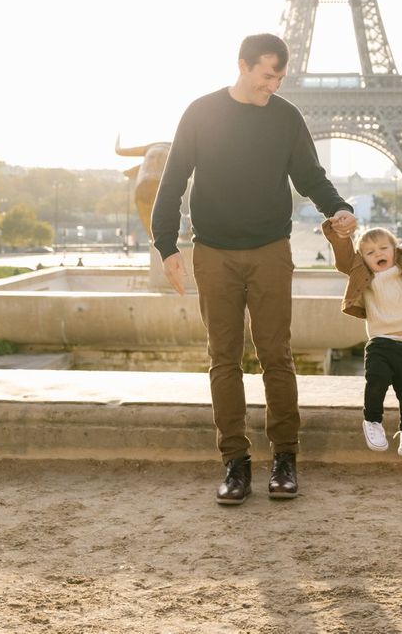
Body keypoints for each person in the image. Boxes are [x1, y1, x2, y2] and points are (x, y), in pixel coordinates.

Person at [151, 33, 356, 505]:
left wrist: (338, 208)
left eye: (280, 77)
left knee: (276, 356)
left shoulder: (286, 116)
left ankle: (285, 457)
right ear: (242, 65)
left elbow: (310, 177)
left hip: (270, 251)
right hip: (214, 252)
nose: (274, 85)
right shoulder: (200, 112)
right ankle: (235, 462)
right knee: (223, 358)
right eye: (267, 75)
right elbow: (173, 178)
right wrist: (166, 246)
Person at [323, 216, 402, 457]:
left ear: (395, 250)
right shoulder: (363, 273)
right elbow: (344, 259)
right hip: (380, 342)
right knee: (376, 380)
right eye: (370, 252)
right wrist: (340, 236)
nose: (378, 253)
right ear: (363, 258)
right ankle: (372, 421)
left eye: (384, 248)